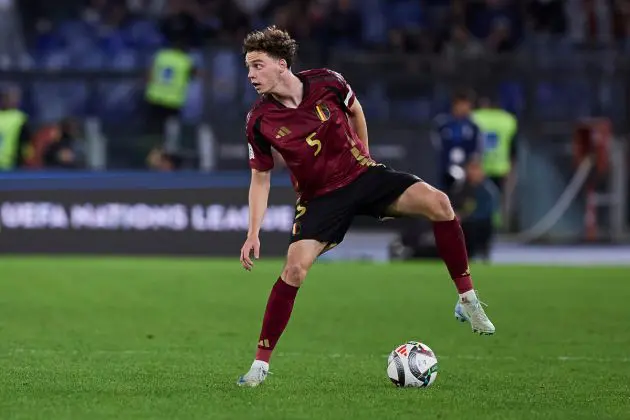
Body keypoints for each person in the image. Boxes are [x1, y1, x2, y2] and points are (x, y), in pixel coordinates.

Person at [237, 26, 495, 387]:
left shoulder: (328, 82)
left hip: (362, 175)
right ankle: (260, 366)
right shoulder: (259, 121)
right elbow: (260, 178)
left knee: (440, 203)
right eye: (248, 66)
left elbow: (355, 109)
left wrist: (367, 157)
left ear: (282, 64)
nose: (250, 74)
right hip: (320, 198)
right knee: (294, 269)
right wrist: (253, 233)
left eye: (257, 65)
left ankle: (467, 298)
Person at [431, 91, 483, 194]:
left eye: (468, 105)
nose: (465, 108)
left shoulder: (474, 126)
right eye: (463, 104)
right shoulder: (442, 123)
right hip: (444, 171)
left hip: (466, 174)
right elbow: (435, 147)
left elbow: (476, 152)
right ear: (456, 104)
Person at [451, 160, 500, 262]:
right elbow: (455, 204)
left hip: (480, 222)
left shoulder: (488, 189)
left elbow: (487, 209)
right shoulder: (461, 187)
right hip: (466, 222)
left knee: (477, 225)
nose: (474, 172)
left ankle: (481, 251)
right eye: (471, 169)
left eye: (476, 169)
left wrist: (466, 214)